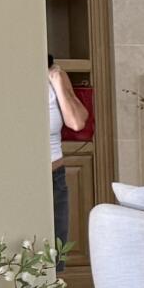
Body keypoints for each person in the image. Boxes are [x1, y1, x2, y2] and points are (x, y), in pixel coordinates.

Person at [46, 54, 90, 243]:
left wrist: (59, 85)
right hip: (19, 178)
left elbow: (77, 123)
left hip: (54, 176)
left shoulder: (55, 76)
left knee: (55, 253)